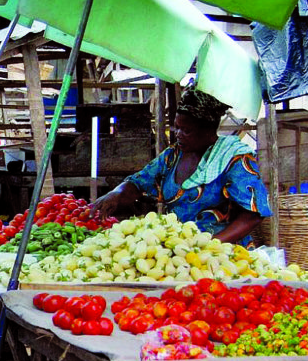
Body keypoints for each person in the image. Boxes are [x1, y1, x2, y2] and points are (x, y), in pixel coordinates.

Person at [90, 88, 271, 245]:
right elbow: (139, 182)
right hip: (177, 251)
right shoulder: (172, 156)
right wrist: (116, 193)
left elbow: (253, 214)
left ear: (208, 130)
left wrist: (209, 245)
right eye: (177, 128)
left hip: (222, 255)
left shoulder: (234, 158)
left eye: (187, 130)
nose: (179, 135)